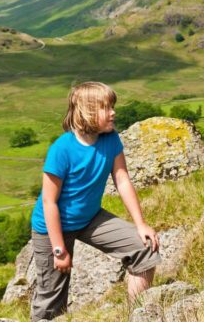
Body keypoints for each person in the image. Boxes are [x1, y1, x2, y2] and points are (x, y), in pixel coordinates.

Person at [30, 82, 160, 322]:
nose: (113, 112)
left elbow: (122, 179)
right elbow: (49, 202)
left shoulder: (111, 139)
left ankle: (138, 316)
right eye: (106, 108)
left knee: (143, 249)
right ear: (87, 112)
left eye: (112, 106)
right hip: (53, 227)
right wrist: (59, 250)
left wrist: (140, 224)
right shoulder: (62, 149)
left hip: (90, 218)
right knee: (51, 300)